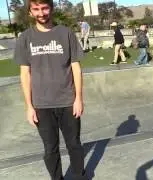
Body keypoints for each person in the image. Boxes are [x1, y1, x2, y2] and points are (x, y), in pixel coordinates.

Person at [13, 0, 87, 179]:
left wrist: (78, 98)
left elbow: (76, 67)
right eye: (36, 9)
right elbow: (25, 74)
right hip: (41, 105)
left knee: (74, 145)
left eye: (45, 8)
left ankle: (80, 176)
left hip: (68, 102)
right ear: (30, 12)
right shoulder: (25, 38)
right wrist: (29, 106)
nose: (41, 13)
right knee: (50, 150)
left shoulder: (65, 33)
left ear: (51, 9)